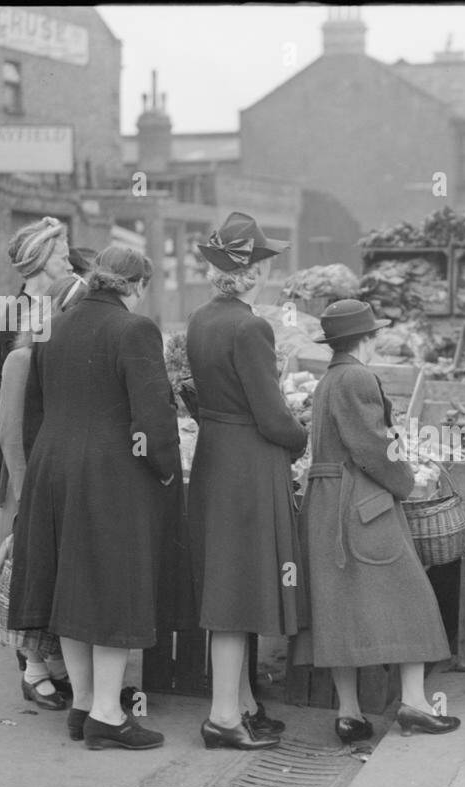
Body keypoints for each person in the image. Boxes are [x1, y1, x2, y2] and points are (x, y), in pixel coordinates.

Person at [8, 245, 190, 750]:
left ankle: (84, 704)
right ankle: (109, 714)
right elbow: (152, 419)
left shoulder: (57, 323)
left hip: (55, 467)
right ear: (135, 285)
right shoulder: (135, 329)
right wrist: (168, 473)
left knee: (73, 583)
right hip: (111, 473)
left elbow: (35, 410)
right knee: (113, 587)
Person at [295, 299, 460, 740]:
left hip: (328, 502)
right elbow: (372, 447)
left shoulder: (332, 377)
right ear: (367, 338)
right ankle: (415, 704)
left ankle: (348, 714)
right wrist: (406, 481)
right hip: (363, 503)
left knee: (338, 608)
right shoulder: (358, 376)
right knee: (413, 598)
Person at [187, 211, 307, 751]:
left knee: (228, 581)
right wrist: (302, 436)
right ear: (251, 270)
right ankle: (222, 719)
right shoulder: (251, 325)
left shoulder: (202, 319)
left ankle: (244, 705)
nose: (268, 268)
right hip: (250, 463)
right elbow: (271, 415)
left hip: (216, 456)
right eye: (262, 258)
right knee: (239, 590)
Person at [0, 217, 72, 570]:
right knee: (15, 548)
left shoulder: (71, 310)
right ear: (42, 259)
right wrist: (23, 405)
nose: (70, 263)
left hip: (62, 441)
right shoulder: (5, 317)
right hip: (20, 447)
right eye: (62, 256)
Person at [0, 327, 69, 710]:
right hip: (31, 488)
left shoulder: (62, 358)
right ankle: (34, 671)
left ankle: (54, 666)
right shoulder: (22, 360)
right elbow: (10, 433)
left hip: (58, 486)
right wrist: (26, 499)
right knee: (30, 577)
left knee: (55, 578)